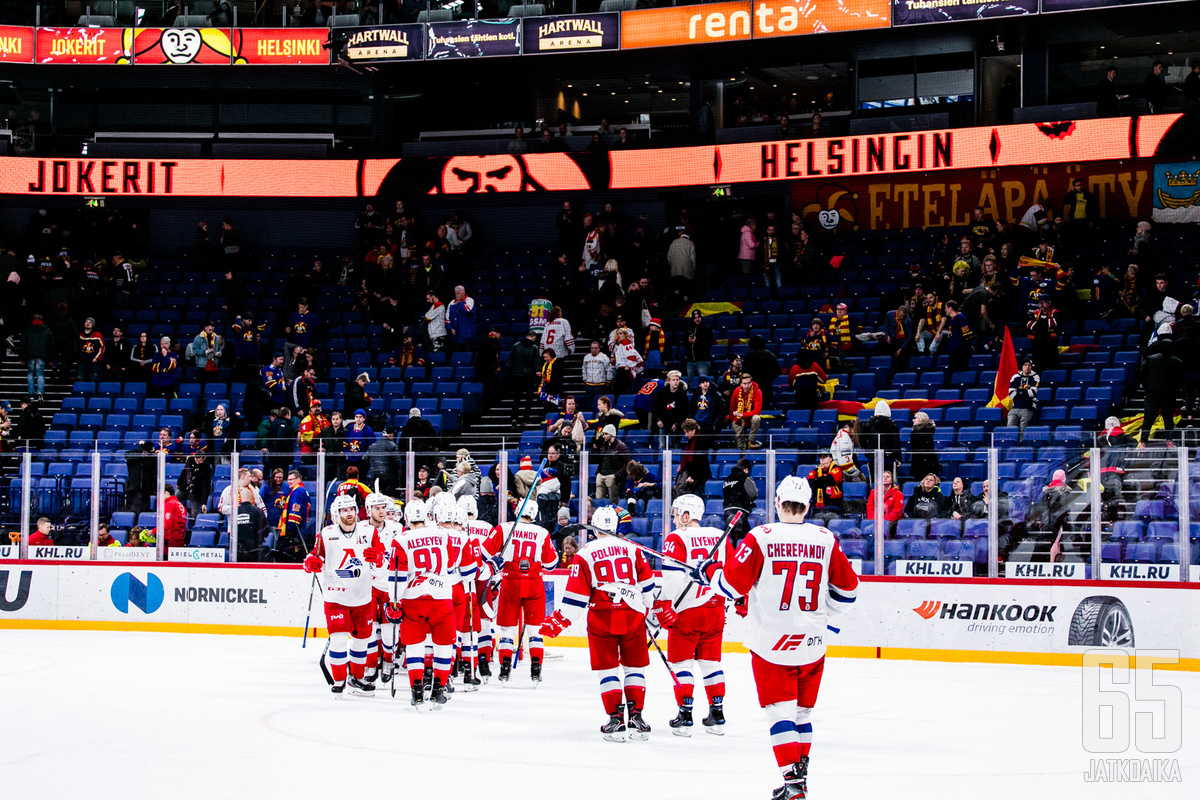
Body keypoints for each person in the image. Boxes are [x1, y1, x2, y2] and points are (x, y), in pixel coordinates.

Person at [691, 476, 858, 800]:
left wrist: (709, 572)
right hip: (812, 645)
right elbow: (849, 593)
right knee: (802, 715)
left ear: (778, 503)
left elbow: (731, 587)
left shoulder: (761, 537)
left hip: (772, 645)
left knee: (780, 715)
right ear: (808, 506)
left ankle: (793, 785)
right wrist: (822, 618)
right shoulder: (825, 538)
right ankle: (800, 779)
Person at [539, 506, 658, 742]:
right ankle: (636, 718)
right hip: (632, 615)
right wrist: (645, 609)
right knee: (634, 667)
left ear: (594, 528)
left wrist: (558, 622)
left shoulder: (586, 552)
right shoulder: (633, 549)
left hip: (602, 616)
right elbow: (648, 586)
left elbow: (577, 597)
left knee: (608, 669)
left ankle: (615, 719)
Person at [659, 494, 733, 736]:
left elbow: (671, 579)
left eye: (676, 513)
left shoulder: (676, 537)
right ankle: (717, 714)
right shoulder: (719, 536)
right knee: (711, 663)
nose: (674, 518)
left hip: (687, 612)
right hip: (715, 610)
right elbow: (733, 572)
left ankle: (685, 715)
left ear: (686, 515)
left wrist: (664, 605)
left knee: (681, 663)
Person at [304, 494, 384, 697]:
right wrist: (311, 563)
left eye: (351, 509)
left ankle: (356, 679)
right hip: (336, 597)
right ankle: (339, 681)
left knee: (361, 641)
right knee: (339, 639)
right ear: (336, 514)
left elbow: (382, 561)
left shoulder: (369, 531)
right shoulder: (326, 533)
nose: (349, 514)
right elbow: (315, 557)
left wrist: (378, 557)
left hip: (363, 596)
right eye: (344, 510)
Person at [481, 498, 558, 683]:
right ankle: (535, 668)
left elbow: (484, 553)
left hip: (510, 581)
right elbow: (552, 564)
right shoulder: (542, 532)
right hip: (534, 583)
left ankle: (505, 669)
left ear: (518, 511)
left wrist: (498, 559)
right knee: (535, 630)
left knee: (507, 629)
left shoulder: (504, 528)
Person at [1140, 338, 1183, 442]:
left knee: (1149, 419)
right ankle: (1169, 441)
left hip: (1154, 393)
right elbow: (1180, 380)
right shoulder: (1177, 361)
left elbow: (1142, 375)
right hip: (1168, 394)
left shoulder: (1151, 359)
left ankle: (1143, 443)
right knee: (1168, 418)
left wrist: (1147, 389)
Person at [276, 470, 311, 562]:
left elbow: (296, 511)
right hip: (301, 529)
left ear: (298, 479)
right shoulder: (300, 490)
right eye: (288, 480)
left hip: (296, 530)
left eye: (292, 479)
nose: (289, 482)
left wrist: (291, 528)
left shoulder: (298, 491)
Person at [593, 424, 630, 503]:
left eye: (606, 434)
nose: (603, 436)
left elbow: (627, 463)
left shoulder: (621, 446)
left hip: (612, 475)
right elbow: (601, 460)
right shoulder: (603, 445)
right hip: (601, 474)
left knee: (613, 500)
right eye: (603, 434)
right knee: (598, 500)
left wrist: (616, 475)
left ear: (612, 434)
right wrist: (598, 472)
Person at [20, 314, 54, 398]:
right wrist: (50, 358)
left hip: (30, 355)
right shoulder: (46, 330)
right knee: (40, 374)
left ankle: (31, 393)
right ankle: (40, 391)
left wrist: (22, 358)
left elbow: (22, 344)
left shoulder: (28, 330)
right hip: (42, 355)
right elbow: (51, 345)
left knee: (30, 374)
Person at [728, 373, 763, 451]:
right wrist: (735, 419)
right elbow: (732, 408)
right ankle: (741, 452)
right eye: (745, 383)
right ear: (741, 384)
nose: (747, 385)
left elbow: (757, 411)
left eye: (749, 383)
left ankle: (751, 441)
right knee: (739, 439)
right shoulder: (736, 391)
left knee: (756, 418)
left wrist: (742, 415)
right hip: (738, 417)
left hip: (749, 416)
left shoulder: (757, 391)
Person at [806, 451, 844, 523]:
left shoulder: (837, 469)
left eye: (825, 457)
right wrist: (823, 482)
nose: (822, 460)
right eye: (821, 457)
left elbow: (830, 480)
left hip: (834, 506)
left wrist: (818, 481)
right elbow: (811, 484)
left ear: (831, 458)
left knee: (833, 521)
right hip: (818, 507)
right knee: (818, 521)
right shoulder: (814, 471)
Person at [1006, 359, 1040, 435]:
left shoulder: (1035, 377)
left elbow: (1032, 393)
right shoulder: (1015, 377)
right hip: (1015, 407)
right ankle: (1010, 443)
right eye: (1025, 365)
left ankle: (1022, 444)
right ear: (1022, 366)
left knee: (1023, 429)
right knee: (1010, 427)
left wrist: (1018, 391)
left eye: (1029, 365)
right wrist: (1025, 391)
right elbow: (1011, 394)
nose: (1027, 367)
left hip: (1028, 407)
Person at [365, 428, 401, 496]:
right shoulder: (393, 446)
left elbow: (366, 459)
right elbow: (397, 462)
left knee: (376, 496)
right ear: (391, 435)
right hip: (388, 476)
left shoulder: (372, 446)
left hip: (374, 474)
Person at [908, 411, 941, 480]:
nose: (913, 420)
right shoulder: (918, 433)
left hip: (925, 465)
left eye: (915, 418)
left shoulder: (923, 433)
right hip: (920, 464)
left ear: (921, 419)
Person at [236, 498, 269, 563]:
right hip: (255, 551)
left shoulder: (234, 512)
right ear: (252, 499)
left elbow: (230, 532)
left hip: (238, 551)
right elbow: (265, 531)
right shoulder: (258, 511)